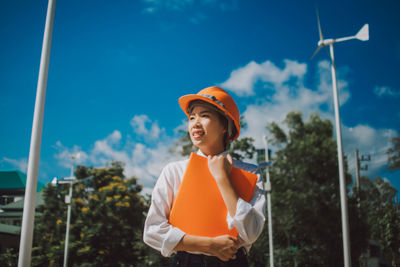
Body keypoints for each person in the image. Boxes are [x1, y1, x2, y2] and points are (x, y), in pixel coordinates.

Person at [143, 86, 266, 267]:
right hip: (186, 262)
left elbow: (251, 233)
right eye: (192, 117)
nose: (195, 123)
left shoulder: (251, 173)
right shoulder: (174, 171)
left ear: (225, 125)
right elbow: (152, 231)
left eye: (205, 116)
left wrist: (223, 179)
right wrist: (210, 245)